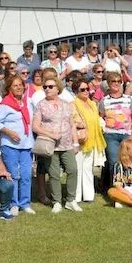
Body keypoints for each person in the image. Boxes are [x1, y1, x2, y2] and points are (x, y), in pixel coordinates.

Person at [34, 76, 80, 213]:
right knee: (54, 174)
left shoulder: (66, 104)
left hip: (67, 144)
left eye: (50, 86)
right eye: (45, 87)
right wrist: (51, 135)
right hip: (50, 145)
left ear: (58, 88)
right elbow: (35, 126)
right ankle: (57, 202)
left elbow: (72, 124)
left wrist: (76, 142)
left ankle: (71, 200)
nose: (47, 89)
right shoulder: (41, 105)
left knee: (73, 170)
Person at [0, 74, 35, 216]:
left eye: (20, 85)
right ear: (9, 88)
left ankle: (25, 203)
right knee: (13, 175)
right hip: (10, 145)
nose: (18, 87)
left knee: (26, 175)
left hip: (26, 144)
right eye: (15, 85)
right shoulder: (5, 104)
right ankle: (13, 203)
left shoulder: (28, 102)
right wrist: (9, 132)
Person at [73, 76, 106, 202]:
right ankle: (76, 196)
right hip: (80, 140)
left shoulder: (92, 104)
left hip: (92, 140)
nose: (86, 91)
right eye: (83, 89)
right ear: (76, 91)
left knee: (88, 169)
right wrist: (79, 124)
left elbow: (97, 119)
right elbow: (72, 120)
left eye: (87, 89)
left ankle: (88, 196)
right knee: (78, 169)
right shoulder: (73, 104)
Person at [100, 71, 132, 180]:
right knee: (114, 161)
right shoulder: (104, 101)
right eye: (113, 81)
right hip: (111, 135)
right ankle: (116, 185)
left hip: (126, 134)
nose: (116, 83)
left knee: (129, 160)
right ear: (109, 84)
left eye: (119, 81)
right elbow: (101, 118)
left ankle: (129, 184)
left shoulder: (128, 99)